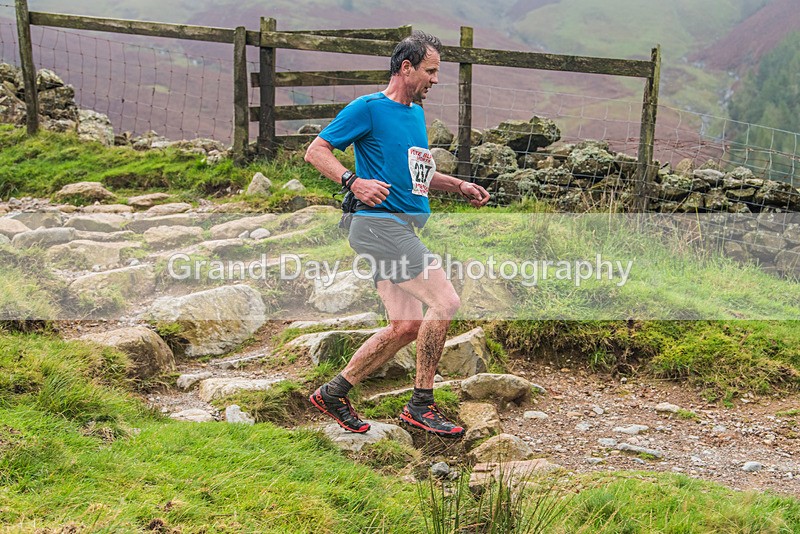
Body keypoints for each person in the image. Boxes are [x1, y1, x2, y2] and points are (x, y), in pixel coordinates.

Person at [304, 30, 490, 438]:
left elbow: (417, 175)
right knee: (445, 301)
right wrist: (353, 181)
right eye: (430, 71)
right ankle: (421, 404)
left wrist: (458, 185)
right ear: (406, 68)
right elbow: (315, 151)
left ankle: (334, 392)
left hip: (396, 225)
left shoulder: (415, 116)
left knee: (406, 325)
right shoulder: (368, 108)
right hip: (378, 223)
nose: (435, 80)